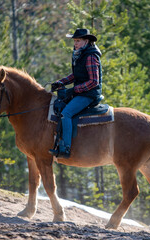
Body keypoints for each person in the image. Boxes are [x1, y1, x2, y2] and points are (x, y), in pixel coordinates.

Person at [49, 28, 103, 159]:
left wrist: (74, 90)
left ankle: (65, 148)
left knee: (66, 113)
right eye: (74, 41)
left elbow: (94, 81)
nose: (75, 43)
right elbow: (76, 75)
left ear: (86, 41)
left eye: (78, 41)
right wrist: (61, 82)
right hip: (82, 92)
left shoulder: (90, 56)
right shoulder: (80, 54)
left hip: (90, 95)